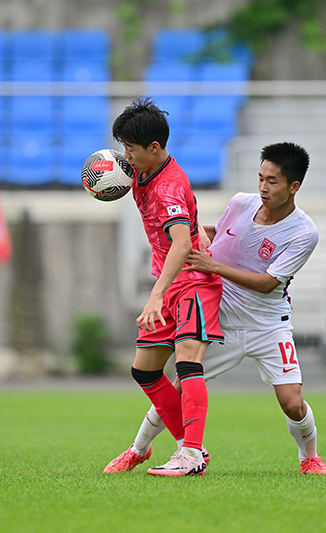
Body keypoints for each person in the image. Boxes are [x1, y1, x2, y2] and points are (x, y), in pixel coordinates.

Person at [104, 142, 326, 475]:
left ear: (294, 186)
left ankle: (309, 458)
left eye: (273, 181)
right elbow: (218, 235)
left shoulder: (303, 232)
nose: (263, 187)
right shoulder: (241, 203)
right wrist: (189, 232)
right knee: (181, 387)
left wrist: (213, 267)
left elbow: (269, 282)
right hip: (223, 314)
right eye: (261, 177)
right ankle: (138, 450)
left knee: (292, 402)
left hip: (268, 324)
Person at [111, 97, 225, 477]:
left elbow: (180, 243)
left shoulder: (168, 188)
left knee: (187, 361)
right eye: (122, 146)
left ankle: (191, 456)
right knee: (144, 370)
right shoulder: (142, 174)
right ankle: (188, 447)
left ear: (155, 148)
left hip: (191, 280)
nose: (124, 155)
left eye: (129, 148)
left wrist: (156, 294)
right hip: (170, 278)